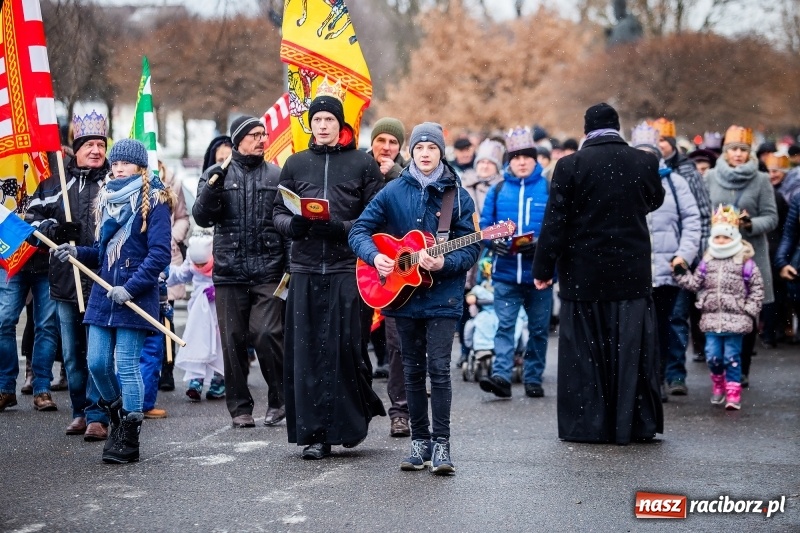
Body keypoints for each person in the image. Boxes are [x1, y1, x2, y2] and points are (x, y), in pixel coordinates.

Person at [350, 122, 480, 475]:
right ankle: (418, 442)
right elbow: (359, 229)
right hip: (401, 295)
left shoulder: (457, 195)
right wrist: (375, 256)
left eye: (432, 149)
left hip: (444, 297)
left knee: (439, 370)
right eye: (420, 148)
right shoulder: (393, 191)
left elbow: (472, 248)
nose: (425, 154)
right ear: (412, 151)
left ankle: (442, 445)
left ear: (441, 152)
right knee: (411, 370)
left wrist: (444, 261)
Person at [532, 103, 665, 444]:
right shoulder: (645, 162)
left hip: (584, 275)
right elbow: (654, 200)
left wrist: (543, 269)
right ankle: (633, 424)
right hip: (631, 275)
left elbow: (555, 222)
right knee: (630, 352)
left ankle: (588, 425)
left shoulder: (570, 165)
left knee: (585, 356)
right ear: (617, 127)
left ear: (586, 129)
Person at [273, 92, 386, 460]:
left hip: (347, 268)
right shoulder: (295, 163)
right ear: (311, 125)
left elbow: (377, 216)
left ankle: (349, 425)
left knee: (346, 348)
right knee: (307, 353)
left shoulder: (362, 164)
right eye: (317, 120)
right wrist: (296, 225)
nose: (322, 126)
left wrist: (342, 227)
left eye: (329, 121)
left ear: (342, 127)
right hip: (305, 268)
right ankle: (315, 433)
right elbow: (277, 213)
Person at [53, 138, 174, 463]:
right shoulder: (106, 198)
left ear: (140, 166)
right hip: (104, 296)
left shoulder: (156, 200)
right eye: (115, 162)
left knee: (126, 365)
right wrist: (77, 252)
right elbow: (104, 253)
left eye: (125, 162)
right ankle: (119, 415)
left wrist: (132, 288)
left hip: (134, 297)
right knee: (96, 363)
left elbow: (160, 253)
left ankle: (129, 435)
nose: (118, 167)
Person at [193, 116, 287, 428]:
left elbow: (287, 225)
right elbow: (203, 218)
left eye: (264, 134)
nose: (262, 139)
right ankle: (240, 408)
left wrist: (289, 272)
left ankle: (280, 400)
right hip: (230, 273)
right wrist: (212, 187)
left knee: (266, 333)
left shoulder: (276, 175)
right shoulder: (216, 175)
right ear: (238, 141)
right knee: (232, 340)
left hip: (269, 272)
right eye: (254, 135)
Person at [25, 111, 109, 436]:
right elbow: (28, 221)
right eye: (89, 144)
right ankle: (79, 411)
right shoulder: (56, 183)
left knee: (98, 355)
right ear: (76, 148)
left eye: (100, 144)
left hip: (103, 283)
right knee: (73, 355)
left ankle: (98, 414)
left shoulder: (113, 182)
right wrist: (55, 229)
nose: (95, 150)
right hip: (64, 283)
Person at [478, 127, 552, 399]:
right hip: (505, 273)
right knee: (505, 326)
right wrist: (491, 242)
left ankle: (533, 378)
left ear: (535, 159)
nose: (521, 161)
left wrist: (542, 245)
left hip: (539, 274)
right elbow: (485, 226)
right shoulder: (498, 189)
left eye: (527, 157)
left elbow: (557, 226)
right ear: (509, 160)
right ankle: (502, 376)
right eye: (516, 157)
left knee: (539, 329)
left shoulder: (547, 187)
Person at [631, 122, 701, 399]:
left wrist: (683, 254)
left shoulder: (675, 182)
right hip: (635, 271)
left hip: (668, 270)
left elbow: (692, 220)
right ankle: (644, 381)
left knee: (667, 325)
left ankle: (667, 375)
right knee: (639, 330)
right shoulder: (625, 182)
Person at [704, 126, 778, 388]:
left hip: (749, 255)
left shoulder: (761, 180)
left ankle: (741, 368)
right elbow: (704, 213)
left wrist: (750, 224)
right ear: (725, 152)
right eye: (733, 149)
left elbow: (771, 217)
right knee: (718, 307)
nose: (737, 154)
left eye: (743, 151)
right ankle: (718, 363)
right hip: (718, 253)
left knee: (746, 313)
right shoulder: (711, 177)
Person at [674, 205, 764, 410]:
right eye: (718, 237)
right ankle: (718, 383)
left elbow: (757, 288)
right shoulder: (707, 262)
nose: (721, 241)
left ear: (734, 238)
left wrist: (748, 310)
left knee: (732, 357)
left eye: (725, 237)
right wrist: (680, 273)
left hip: (737, 320)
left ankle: (733, 393)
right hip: (711, 319)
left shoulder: (745, 262)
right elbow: (695, 283)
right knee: (713, 356)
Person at [652, 118, 713, 373]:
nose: (659, 145)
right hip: (650, 263)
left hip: (679, 261)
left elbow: (700, 215)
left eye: (663, 140)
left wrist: (693, 255)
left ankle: (675, 372)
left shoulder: (687, 173)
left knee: (676, 319)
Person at [367, 117, 410, 437]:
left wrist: (394, 174)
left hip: (399, 270)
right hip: (363, 265)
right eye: (381, 140)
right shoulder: (357, 168)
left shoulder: (408, 172)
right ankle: (357, 406)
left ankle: (400, 410)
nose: (386, 147)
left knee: (397, 344)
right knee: (354, 339)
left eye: (393, 142)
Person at [167, 233, 224, 401]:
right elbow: (181, 274)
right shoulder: (191, 259)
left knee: (220, 345)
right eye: (196, 263)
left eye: (204, 264)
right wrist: (164, 274)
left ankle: (219, 379)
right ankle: (196, 379)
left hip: (219, 308)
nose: (199, 266)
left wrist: (219, 289)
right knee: (197, 341)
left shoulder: (221, 258)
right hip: (198, 312)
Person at [156, 160, 191, 392]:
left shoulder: (173, 182)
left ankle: (167, 367)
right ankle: (149, 367)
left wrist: (171, 237)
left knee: (166, 314)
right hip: (142, 256)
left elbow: (182, 217)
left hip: (168, 255)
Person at [461, 139, 505, 217]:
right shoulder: (464, 185)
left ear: (497, 167)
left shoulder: (503, 187)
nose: (485, 166)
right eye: (482, 162)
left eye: (490, 163)